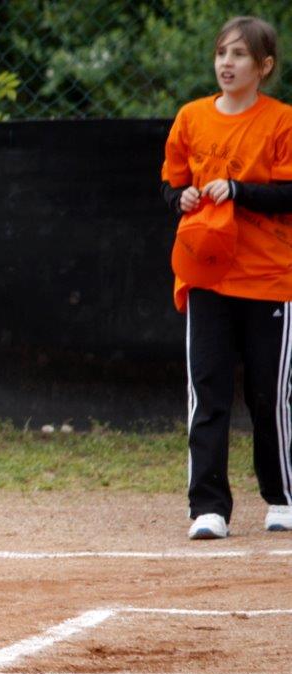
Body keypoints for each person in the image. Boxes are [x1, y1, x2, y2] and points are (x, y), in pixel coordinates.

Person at [161, 17, 292, 540]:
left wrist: (238, 189)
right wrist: (182, 197)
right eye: (221, 53)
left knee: (269, 395)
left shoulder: (281, 121)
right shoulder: (191, 117)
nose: (227, 63)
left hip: (268, 278)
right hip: (208, 278)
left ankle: (281, 497)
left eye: (239, 55)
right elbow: (171, 184)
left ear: (264, 66)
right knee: (208, 391)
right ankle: (208, 507)